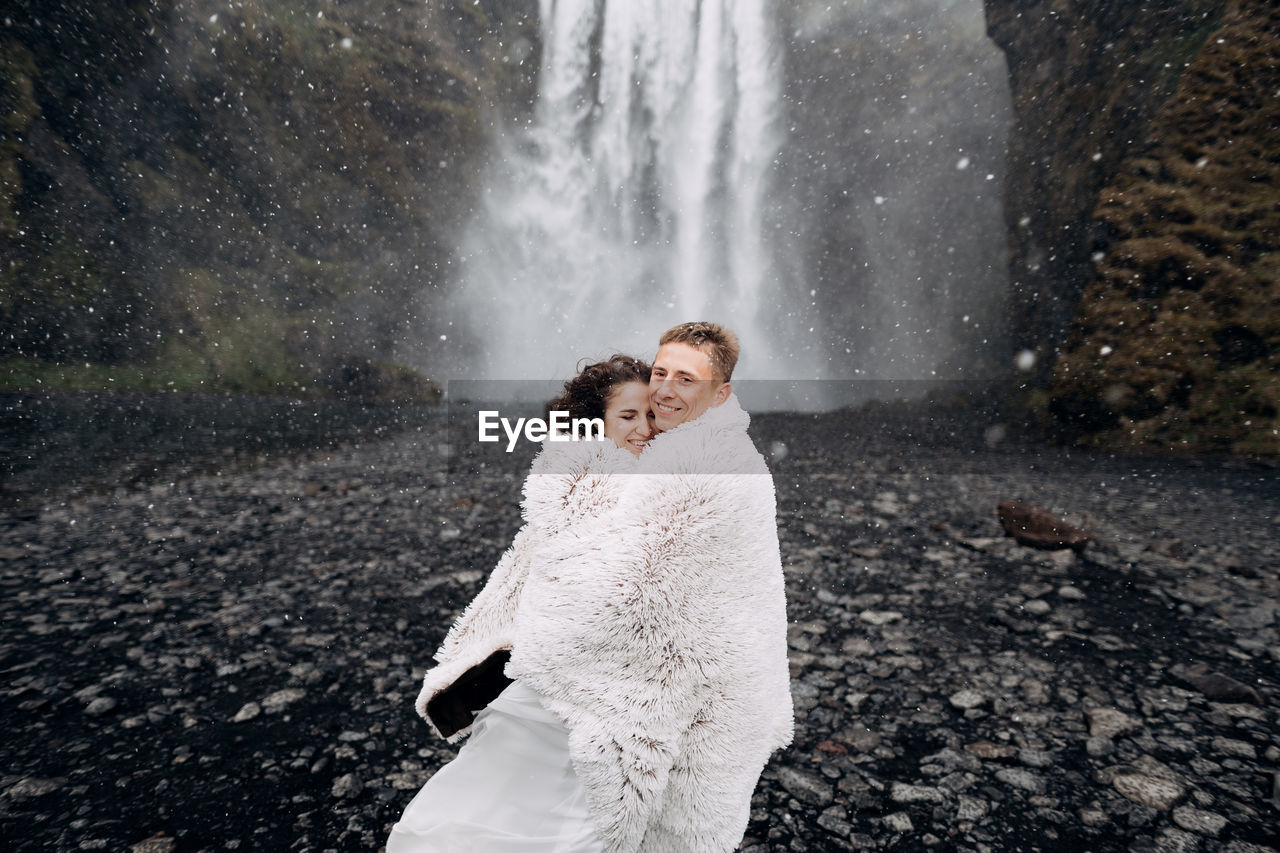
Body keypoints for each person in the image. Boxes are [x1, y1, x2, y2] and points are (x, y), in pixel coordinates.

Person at [396, 323, 793, 853]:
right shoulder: (614, 474)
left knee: (568, 819)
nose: (653, 416)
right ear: (596, 425)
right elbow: (535, 575)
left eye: (683, 383)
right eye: (656, 383)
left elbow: (646, 595)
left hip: (623, 692)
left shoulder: (709, 472)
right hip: (567, 685)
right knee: (497, 807)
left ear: (720, 393)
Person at [387, 354, 653, 852]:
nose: (643, 428)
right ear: (595, 424)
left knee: (542, 815)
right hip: (569, 690)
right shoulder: (585, 491)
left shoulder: (627, 485)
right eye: (628, 416)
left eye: (650, 415)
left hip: (603, 697)